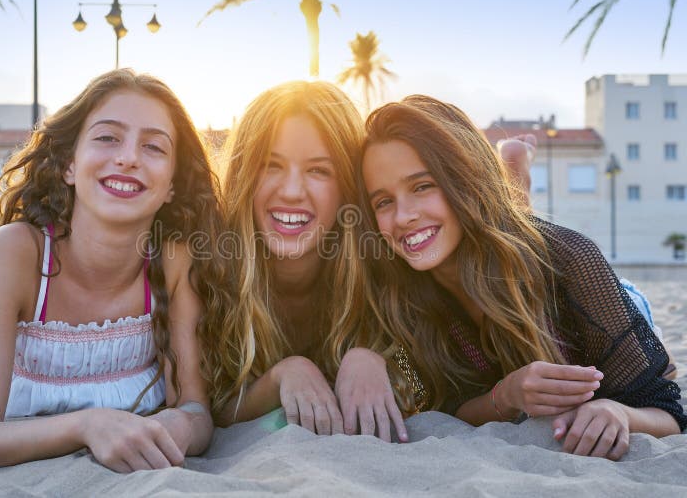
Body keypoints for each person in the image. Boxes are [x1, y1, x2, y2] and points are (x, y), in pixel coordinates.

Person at [0, 69, 227, 472]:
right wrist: (87, 425)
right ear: (69, 165)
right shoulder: (16, 251)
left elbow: (196, 412)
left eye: (154, 147)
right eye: (107, 137)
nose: (129, 157)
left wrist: (181, 421)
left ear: (171, 183)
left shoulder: (173, 262)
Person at [358, 95, 686, 459]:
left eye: (422, 186)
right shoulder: (396, 292)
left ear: (464, 178)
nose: (403, 216)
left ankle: (515, 174)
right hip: (503, 259)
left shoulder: (574, 259)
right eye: (383, 201)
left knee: (657, 357)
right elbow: (437, 406)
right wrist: (507, 395)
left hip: (596, 298)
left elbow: (668, 412)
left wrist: (618, 411)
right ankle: (514, 176)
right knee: (501, 236)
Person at [201, 81, 412, 443]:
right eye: (271, 166)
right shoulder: (214, 268)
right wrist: (283, 376)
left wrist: (377, 361)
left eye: (318, 171)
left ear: (347, 186)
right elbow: (211, 405)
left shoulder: (382, 260)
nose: (292, 191)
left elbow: (428, 383)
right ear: (245, 176)